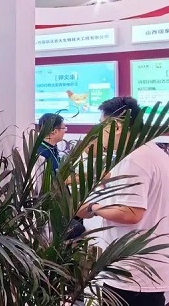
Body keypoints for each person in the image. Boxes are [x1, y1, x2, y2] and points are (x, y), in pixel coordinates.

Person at [77, 96, 169, 306]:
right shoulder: (153, 153)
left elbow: (131, 213)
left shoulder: (132, 158)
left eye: (101, 126)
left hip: (131, 272)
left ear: (117, 127)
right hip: (148, 268)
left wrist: (93, 207)